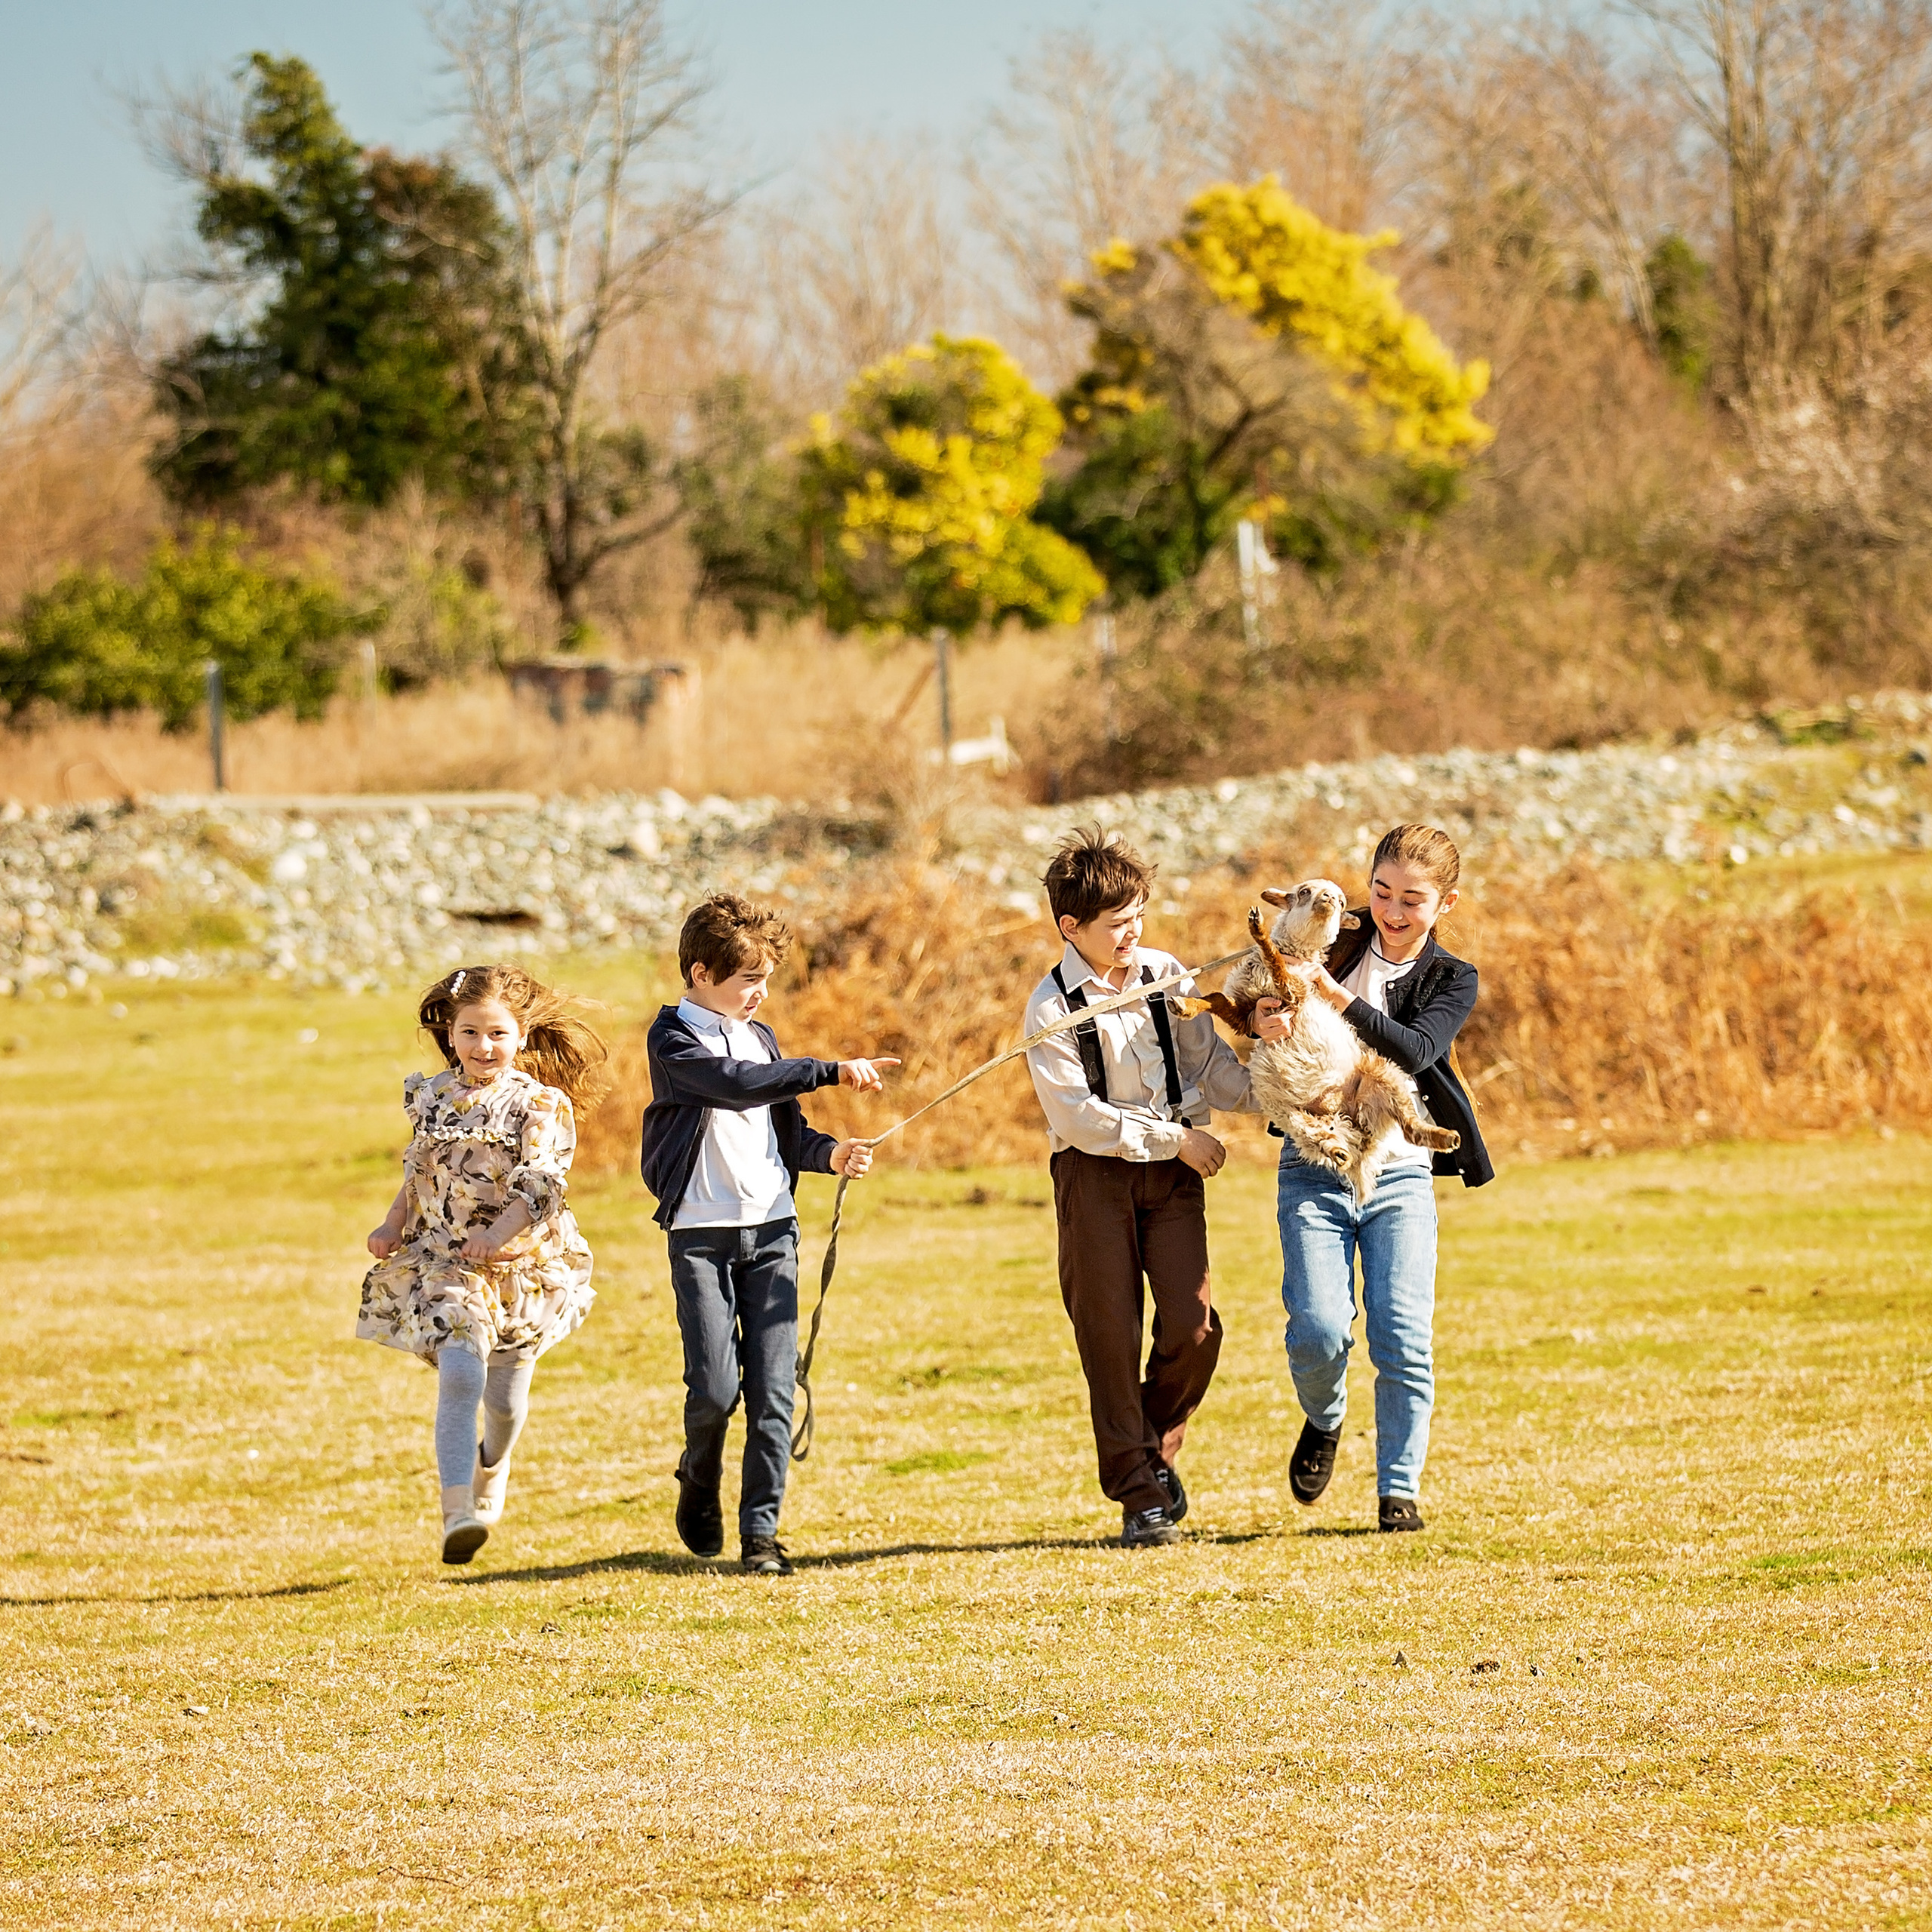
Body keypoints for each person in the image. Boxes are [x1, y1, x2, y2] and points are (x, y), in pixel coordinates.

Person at [1023, 826, 1288, 1548]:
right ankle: (1139, 1494)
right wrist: (1181, 1139)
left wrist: (1286, 1093)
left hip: (1173, 1181)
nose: (1133, 932)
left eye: (1140, 915)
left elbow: (1212, 1071)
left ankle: (1147, 1446)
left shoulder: (1167, 975)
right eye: (1117, 923)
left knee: (1194, 1328)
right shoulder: (1048, 1010)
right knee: (1107, 1336)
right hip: (1094, 1178)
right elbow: (1078, 1120)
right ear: (1070, 927)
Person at [640, 893, 894, 1577]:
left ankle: (761, 1537)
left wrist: (831, 1153)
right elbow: (735, 1086)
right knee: (718, 1389)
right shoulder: (673, 1040)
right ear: (700, 974)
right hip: (701, 1237)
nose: (760, 993)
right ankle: (698, 1478)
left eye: (766, 979)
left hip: (774, 1234)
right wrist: (829, 1068)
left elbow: (784, 1129)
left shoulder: (761, 1037)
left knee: (775, 1392)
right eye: (747, 979)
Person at [1263, 823, 1494, 1534]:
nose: (1393, 912)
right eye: (1383, 891)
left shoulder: (1452, 979)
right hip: (1314, 1160)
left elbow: (1419, 1049)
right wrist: (1267, 1014)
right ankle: (1324, 1418)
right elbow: (1263, 987)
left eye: (1413, 900)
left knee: (1402, 1336)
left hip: (1400, 1173)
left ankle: (1399, 1489)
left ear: (1445, 905)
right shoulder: (1335, 935)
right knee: (1317, 1329)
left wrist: (1330, 994)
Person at [358, 964, 608, 1566]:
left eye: (497, 1033)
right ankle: (457, 1512)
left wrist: (497, 1237)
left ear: (521, 1036)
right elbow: (420, 1170)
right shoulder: (433, 1097)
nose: (482, 1047)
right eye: (469, 1032)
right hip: (447, 1265)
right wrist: (393, 1225)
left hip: (521, 1266)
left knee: (503, 1400)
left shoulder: (539, 1105)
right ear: (451, 1034)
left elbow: (543, 1186)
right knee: (461, 1374)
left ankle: (491, 1468)